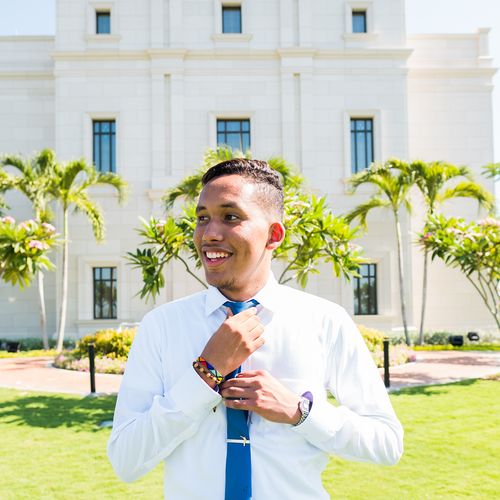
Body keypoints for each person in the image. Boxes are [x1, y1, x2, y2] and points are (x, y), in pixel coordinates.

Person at [107, 158, 403, 499]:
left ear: (273, 235)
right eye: (202, 218)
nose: (209, 233)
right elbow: (126, 461)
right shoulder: (161, 327)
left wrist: (299, 412)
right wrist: (204, 375)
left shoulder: (324, 321)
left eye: (230, 217)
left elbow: (387, 443)